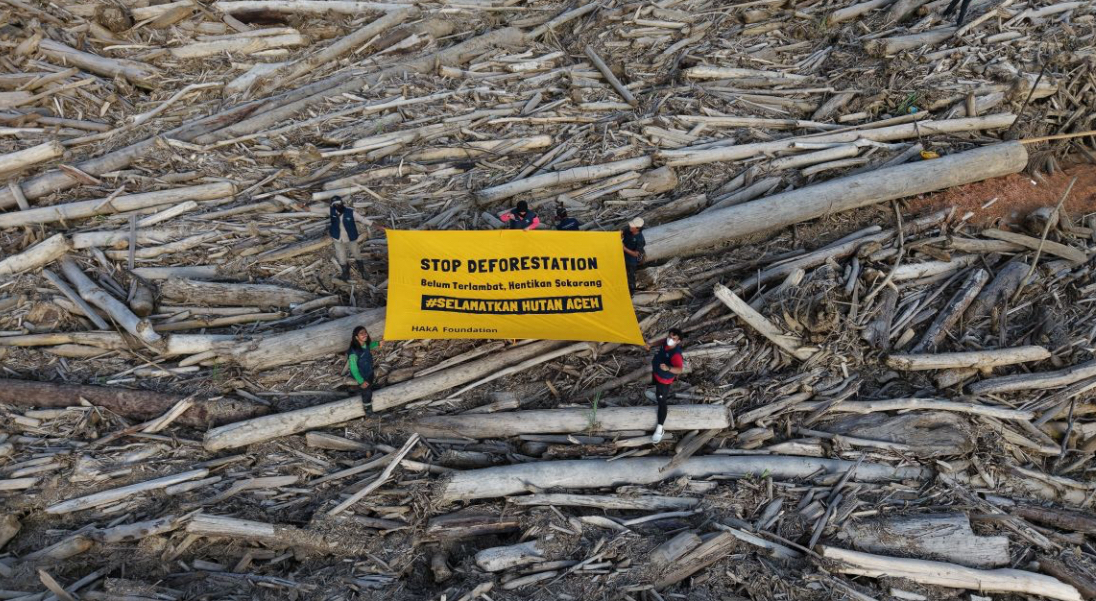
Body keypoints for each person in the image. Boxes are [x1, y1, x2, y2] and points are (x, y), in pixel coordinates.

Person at [329, 196, 383, 281]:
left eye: (339, 204)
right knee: (341, 256)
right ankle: (345, 273)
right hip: (338, 238)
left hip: (350, 238)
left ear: (342, 203)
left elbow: (362, 219)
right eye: (335, 205)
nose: (337, 206)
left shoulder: (350, 212)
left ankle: (362, 271)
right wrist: (305, 207)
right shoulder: (331, 211)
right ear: (332, 206)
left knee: (357, 253)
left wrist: (376, 226)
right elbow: (315, 210)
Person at [648, 328, 684, 443]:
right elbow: (663, 341)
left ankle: (659, 429)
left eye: (673, 339)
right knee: (657, 388)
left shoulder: (676, 354)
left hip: (665, 380)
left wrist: (668, 368)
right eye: (669, 336)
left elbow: (679, 370)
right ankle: (657, 395)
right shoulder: (667, 341)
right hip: (657, 372)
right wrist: (651, 344)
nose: (670, 339)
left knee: (662, 402)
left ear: (678, 341)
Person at [348, 326, 381, 404]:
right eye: (361, 333)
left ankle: (355, 389)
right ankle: (368, 411)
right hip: (361, 375)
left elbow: (369, 346)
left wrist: (378, 343)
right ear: (356, 337)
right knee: (367, 394)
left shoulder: (365, 344)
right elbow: (353, 369)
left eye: (365, 332)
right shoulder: (353, 352)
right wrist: (361, 381)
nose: (365, 334)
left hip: (369, 370)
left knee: (371, 380)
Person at [622, 217, 646, 293]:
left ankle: (631, 292)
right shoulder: (628, 230)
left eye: (632, 226)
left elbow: (636, 254)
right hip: (622, 256)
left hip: (631, 261)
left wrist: (624, 248)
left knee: (630, 276)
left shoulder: (640, 239)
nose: (630, 226)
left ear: (637, 228)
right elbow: (621, 233)